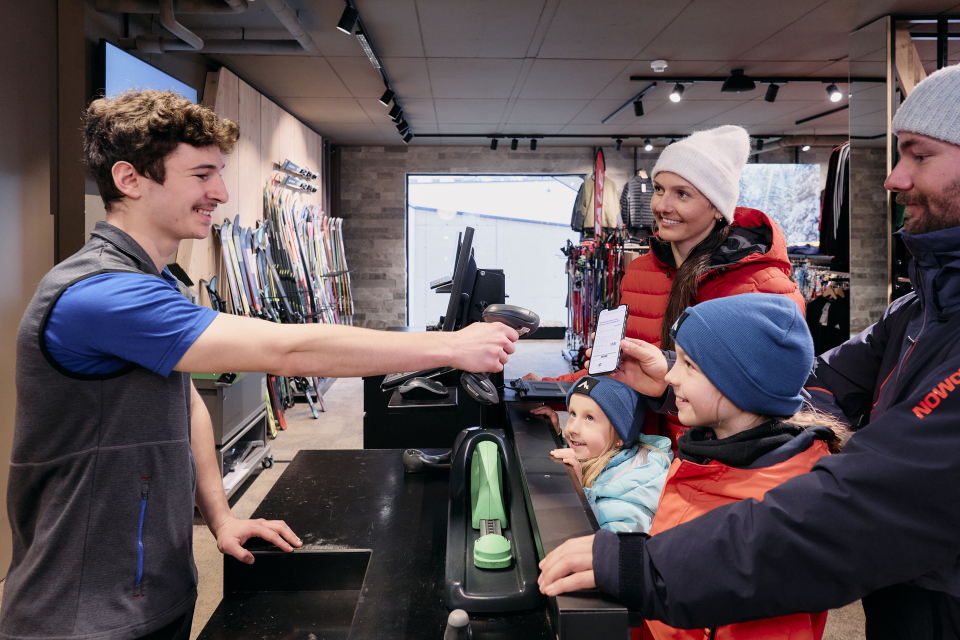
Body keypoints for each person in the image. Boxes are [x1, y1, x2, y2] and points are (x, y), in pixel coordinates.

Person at [2, 90, 519, 640]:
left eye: (219, 174)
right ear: (130, 179)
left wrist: (220, 517)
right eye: (202, 175)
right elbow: (285, 349)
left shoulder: (150, 282)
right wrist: (449, 347)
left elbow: (189, 404)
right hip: (81, 615)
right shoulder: (99, 294)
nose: (220, 193)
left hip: (153, 591)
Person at [537, 64, 960, 640]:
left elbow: (866, 501)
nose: (892, 177)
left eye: (919, 154)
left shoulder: (765, 286)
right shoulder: (922, 310)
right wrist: (662, 392)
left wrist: (646, 566)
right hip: (897, 585)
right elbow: (803, 388)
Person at [525, 125, 804, 451]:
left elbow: (768, 396)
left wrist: (666, 381)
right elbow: (617, 371)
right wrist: (548, 394)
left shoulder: (761, 285)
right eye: (659, 189)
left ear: (718, 207)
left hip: (713, 464)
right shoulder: (640, 271)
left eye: (682, 194)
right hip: (641, 460)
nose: (662, 206)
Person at [629, 294, 845, 639]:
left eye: (689, 365)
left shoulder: (781, 507)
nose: (670, 375)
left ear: (740, 383)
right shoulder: (703, 455)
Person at [542, 376, 672, 533]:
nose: (573, 429)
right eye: (573, 414)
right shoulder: (597, 454)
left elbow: (612, 547)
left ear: (619, 436)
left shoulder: (634, 491)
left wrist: (577, 494)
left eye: (590, 418)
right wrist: (555, 436)